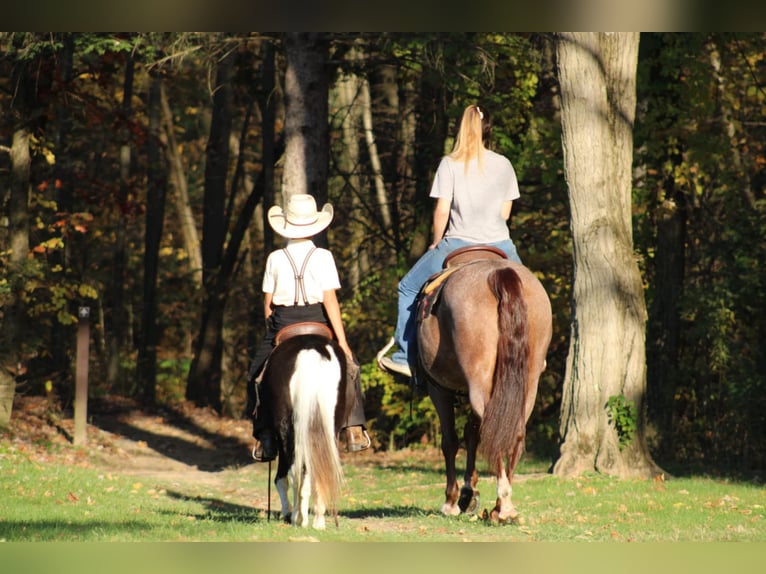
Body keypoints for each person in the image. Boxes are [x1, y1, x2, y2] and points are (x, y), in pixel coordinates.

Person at [377, 104, 523, 378]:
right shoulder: (504, 164)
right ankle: (532, 354)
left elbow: (442, 210)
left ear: (461, 129)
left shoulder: (450, 163)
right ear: (487, 130)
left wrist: (435, 242)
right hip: (501, 244)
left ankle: (404, 356)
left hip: (458, 242)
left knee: (407, 287)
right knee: (527, 291)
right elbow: (505, 213)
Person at [246, 193, 370, 461]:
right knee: (351, 368)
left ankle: (264, 435)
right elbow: (331, 301)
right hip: (318, 319)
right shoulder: (324, 256)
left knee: (256, 374)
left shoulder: (275, 258)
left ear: (287, 225)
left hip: (284, 322)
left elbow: (267, 305)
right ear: (315, 223)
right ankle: (353, 428)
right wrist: (343, 343)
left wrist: (274, 324)